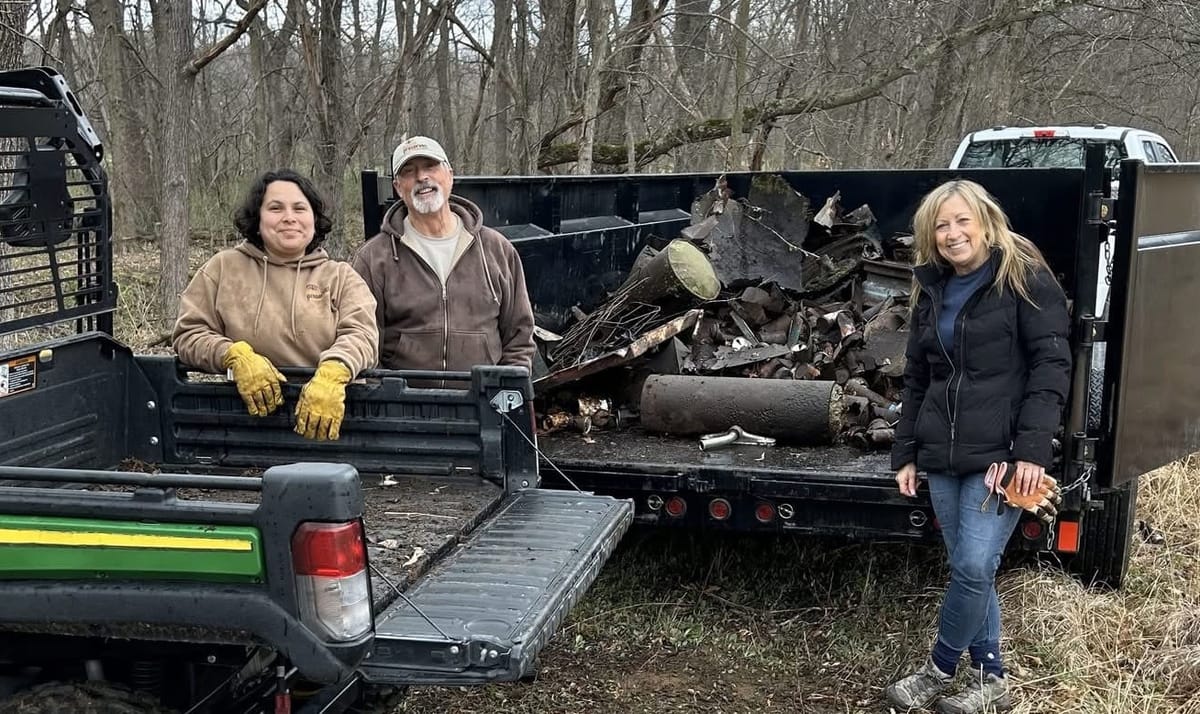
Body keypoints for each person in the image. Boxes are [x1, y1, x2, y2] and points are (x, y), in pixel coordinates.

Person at [885, 180, 1071, 713]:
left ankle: (937, 670)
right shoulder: (934, 288)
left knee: (971, 564)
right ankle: (993, 682)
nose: (952, 233)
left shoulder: (1024, 279)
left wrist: (1032, 451)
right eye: (941, 225)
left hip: (1002, 454)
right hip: (942, 455)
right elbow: (918, 377)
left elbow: (1051, 366)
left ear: (986, 222)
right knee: (973, 569)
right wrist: (907, 452)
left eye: (962, 220)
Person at [173, 169, 379, 441]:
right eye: (275, 208)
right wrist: (234, 355)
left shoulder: (341, 276)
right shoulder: (222, 268)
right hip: (247, 423)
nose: (289, 217)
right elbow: (189, 334)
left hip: (330, 424)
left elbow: (362, 335)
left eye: (299, 208)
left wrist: (335, 371)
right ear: (257, 218)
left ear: (314, 220)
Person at [351, 136, 535, 383]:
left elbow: (519, 337)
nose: (421, 177)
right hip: (405, 407)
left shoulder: (496, 249)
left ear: (449, 175)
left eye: (430, 166)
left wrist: (505, 392)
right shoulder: (373, 258)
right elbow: (365, 343)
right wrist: (388, 402)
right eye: (409, 171)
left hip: (482, 404)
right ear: (397, 187)